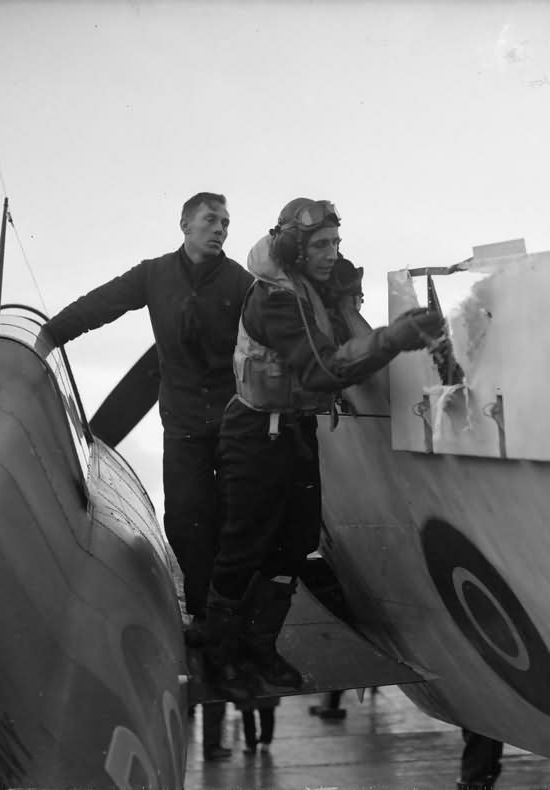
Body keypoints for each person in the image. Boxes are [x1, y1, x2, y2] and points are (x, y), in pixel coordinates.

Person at [36, 191, 254, 759]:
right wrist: (51, 335)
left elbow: (276, 333)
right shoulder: (155, 275)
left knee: (233, 519)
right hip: (182, 423)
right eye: (211, 220)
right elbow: (102, 304)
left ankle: (225, 619)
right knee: (183, 519)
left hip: (233, 421)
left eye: (226, 223)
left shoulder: (240, 283)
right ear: (184, 224)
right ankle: (202, 613)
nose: (221, 229)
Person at [203, 197, 447, 702]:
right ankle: (223, 656)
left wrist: (351, 311)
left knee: (293, 544)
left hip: (292, 428)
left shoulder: (314, 289)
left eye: (336, 241)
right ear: (294, 248)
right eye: (320, 244)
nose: (333, 252)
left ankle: (261, 647)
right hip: (253, 434)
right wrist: (392, 339)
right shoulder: (275, 298)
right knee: (243, 547)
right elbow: (321, 369)